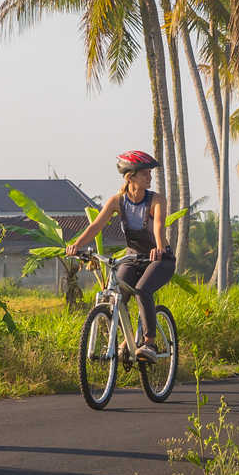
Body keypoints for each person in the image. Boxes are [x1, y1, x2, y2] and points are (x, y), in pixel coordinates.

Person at [66, 150, 174, 362]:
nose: (150, 178)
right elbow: (96, 225)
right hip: (133, 257)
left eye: (150, 174)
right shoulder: (117, 201)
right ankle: (128, 341)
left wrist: (159, 249)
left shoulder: (156, 200)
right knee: (116, 293)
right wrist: (76, 245)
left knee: (142, 290)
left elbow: (160, 227)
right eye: (145, 174)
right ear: (130, 176)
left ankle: (150, 342)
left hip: (161, 259)